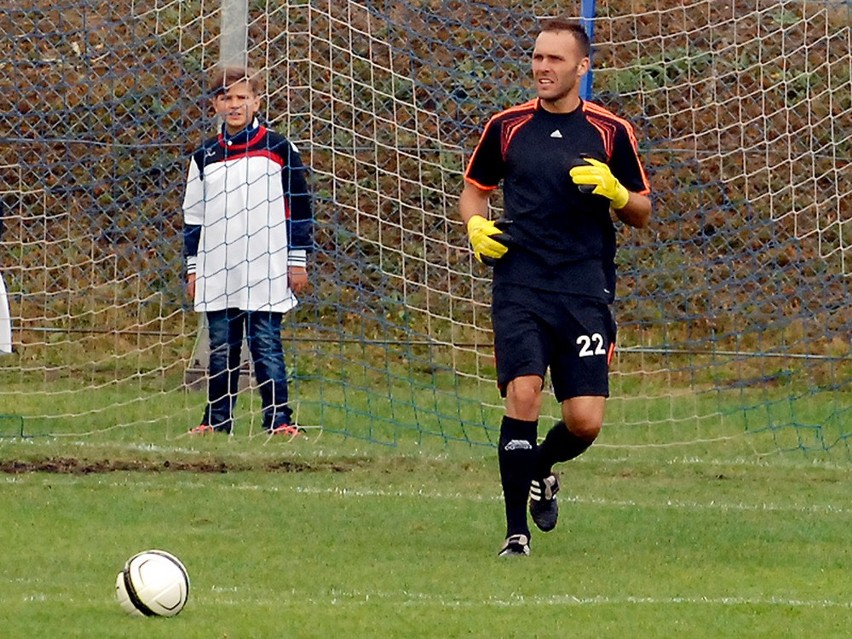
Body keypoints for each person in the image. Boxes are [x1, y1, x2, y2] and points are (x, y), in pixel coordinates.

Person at [459, 17, 651, 556]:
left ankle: (541, 464)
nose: (542, 68)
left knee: (583, 422)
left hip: (585, 287)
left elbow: (642, 211)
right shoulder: (507, 126)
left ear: (581, 68)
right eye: (538, 57)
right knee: (523, 394)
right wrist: (477, 227)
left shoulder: (611, 132)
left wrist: (615, 190)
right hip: (520, 281)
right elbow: (474, 192)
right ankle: (514, 533)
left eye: (555, 60)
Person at [182, 65, 313, 436]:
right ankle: (216, 421)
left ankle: (279, 420)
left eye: (242, 97)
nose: (235, 104)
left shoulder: (279, 148)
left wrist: (297, 260)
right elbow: (193, 217)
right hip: (218, 270)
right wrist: (193, 268)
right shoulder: (204, 156)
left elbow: (299, 206)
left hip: (267, 269)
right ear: (215, 105)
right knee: (222, 349)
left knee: (266, 345)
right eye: (227, 98)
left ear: (257, 102)